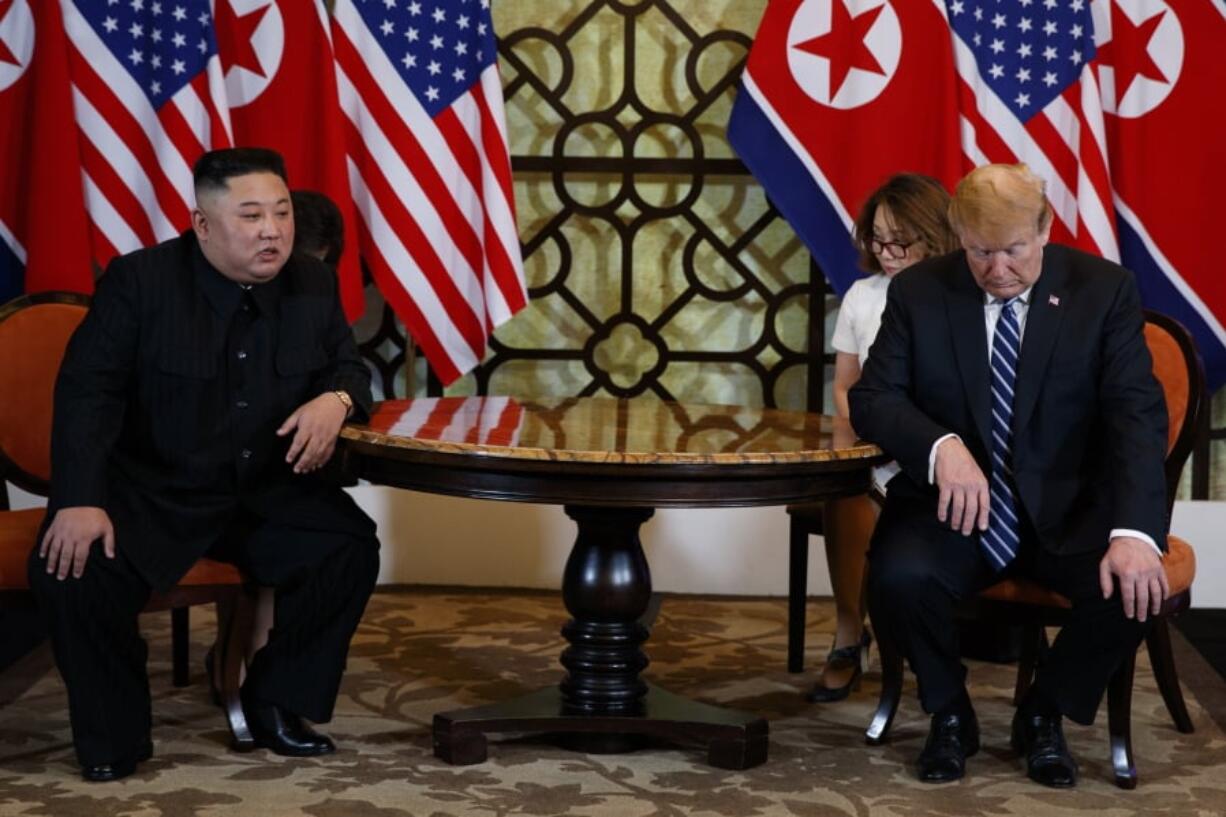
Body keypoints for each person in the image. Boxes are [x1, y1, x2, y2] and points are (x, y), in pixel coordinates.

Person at [29, 148, 380, 782]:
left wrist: (338, 399)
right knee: (73, 573)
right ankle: (116, 735)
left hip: (264, 493)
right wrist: (79, 499)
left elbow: (347, 367)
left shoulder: (313, 281)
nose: (272, 230)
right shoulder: (139, 281)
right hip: (158, 491)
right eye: (250, 216)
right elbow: (89, 393)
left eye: (280, 212)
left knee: (348, 547)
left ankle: (276, 702)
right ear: (203, 224)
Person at [849, 163, 1168, 787]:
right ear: (958, 236)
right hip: (954, 507)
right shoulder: (920, 292)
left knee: (1131, 590)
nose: (998, 270)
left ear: (1045, 229)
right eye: (980, 253)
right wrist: (941, 447)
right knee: (897, 575)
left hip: (1069, 507)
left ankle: (1044, 714)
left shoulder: (1103, 291)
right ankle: (949, 713)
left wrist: (1135, 531)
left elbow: (1137, 418)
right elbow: (874, 398)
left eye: (1014, 251)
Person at [808, 174, 958, 702]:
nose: (888, 253)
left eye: (901, 241)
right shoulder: (863, 297)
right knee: (844, 489)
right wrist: (871, 438)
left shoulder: (961, 294)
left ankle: (925, 643)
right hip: (876, 443)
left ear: (935, 235)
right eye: (877, 239)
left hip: (943, 449)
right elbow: (846, 389)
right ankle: (850, 634)